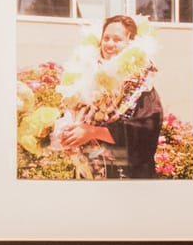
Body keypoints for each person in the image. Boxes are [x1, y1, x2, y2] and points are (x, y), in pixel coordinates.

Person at [51, 15, 164, 178]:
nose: (110, 44)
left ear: (130, 43)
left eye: (117, 40)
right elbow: (74, 114)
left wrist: (92, 132)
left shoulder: (141, 86)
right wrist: (69, 138)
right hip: (90, 170)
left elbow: (144, 129)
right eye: (106, 38)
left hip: (126, 176)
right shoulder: (87, 76)